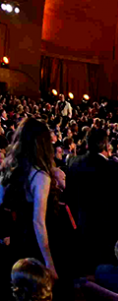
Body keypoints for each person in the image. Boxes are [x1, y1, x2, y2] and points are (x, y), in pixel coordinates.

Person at [0, 118, 61, 280]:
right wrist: (50, 262)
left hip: (17, 239)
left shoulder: (8, 168)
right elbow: (38, 222)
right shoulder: (40, 175)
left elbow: (2, 203)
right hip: (37, 244)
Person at [67, 126, 118, 270]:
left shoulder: (74, 164)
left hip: (83, 227)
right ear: (105, 145)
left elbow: (70, 197)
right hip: (108, 232)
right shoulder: (113, 168)